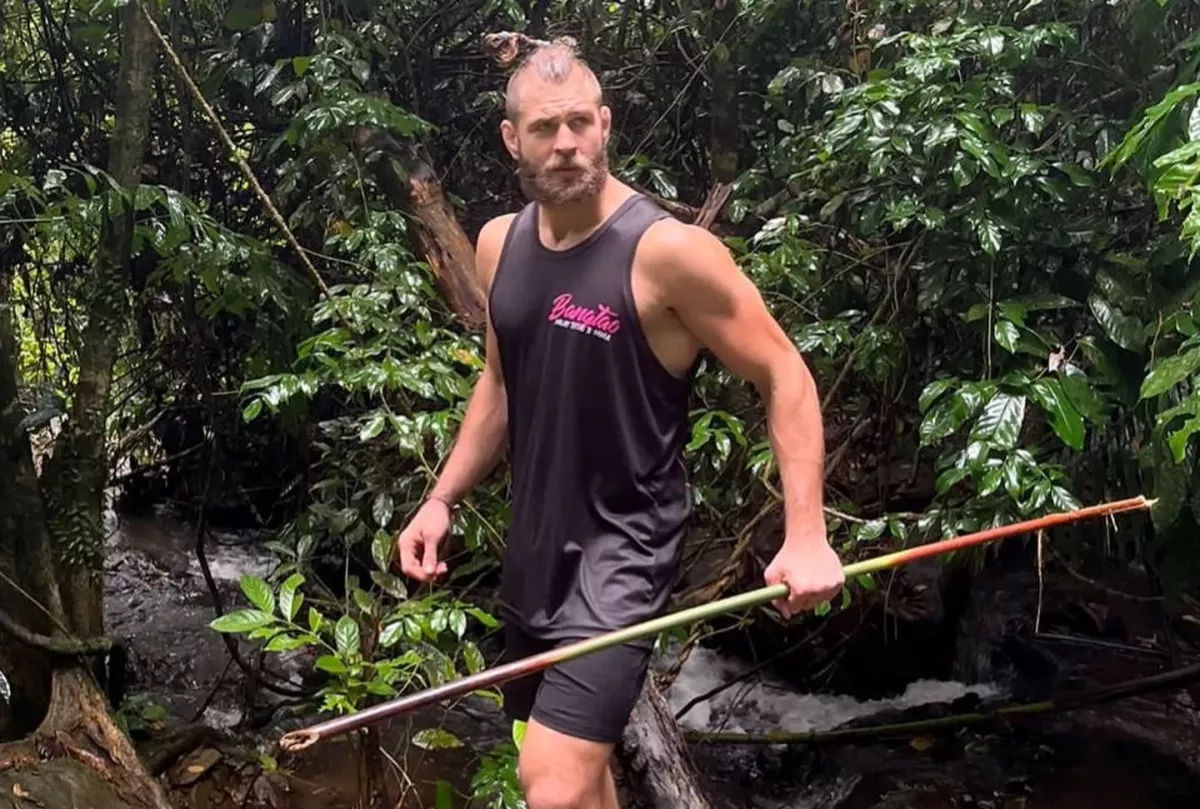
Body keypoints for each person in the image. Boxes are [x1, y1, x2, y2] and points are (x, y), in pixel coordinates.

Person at [393, 39, 844, 809]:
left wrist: (806, 533)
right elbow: (499, 384)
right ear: (513, 138)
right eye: (545, 128)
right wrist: (442, 498)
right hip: (535, 550)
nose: (566, 143)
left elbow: (784, 374)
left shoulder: (667, 254)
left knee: (551, 784)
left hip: (623, 555)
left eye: (580, 123)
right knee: (573, 773)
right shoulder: (499, 244)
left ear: (604, 125)